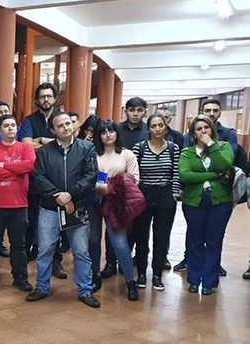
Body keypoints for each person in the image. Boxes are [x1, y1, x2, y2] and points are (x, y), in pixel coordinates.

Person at [26, 111, 100, 308]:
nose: (66, 127)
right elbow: (39, 178)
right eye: (61, 125)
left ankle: (85, 290)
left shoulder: (87, 148)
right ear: (53, 130)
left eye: (68, 123)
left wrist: (71, 195)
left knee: (81, 250)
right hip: (50, 208)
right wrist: (59, 196)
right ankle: (41, 287)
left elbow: (90, 176)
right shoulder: (43, 152)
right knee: (46, 249)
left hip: (77, 207)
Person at [0, 114, 35, 291]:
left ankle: (20, 276)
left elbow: (30, 165)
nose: (11, 128)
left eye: (13, 125)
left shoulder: (25, 148)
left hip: (19, 205)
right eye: (6, 125)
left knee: (19, 244)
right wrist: (16, 172)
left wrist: (3, 166)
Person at [179, 115, 233, 295]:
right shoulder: (187, 152)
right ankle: (194, 280)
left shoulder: (223, 147)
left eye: (206, 128)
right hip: (194, 201)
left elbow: (225, 163)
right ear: (193, 133)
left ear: (212, 130)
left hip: (220, 201)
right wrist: (214, 175)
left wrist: (211, 145)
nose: (203, 132)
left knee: (214, 241)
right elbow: (185, 176)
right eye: (199, 129)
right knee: (195, 240)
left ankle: (209, 281)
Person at [88, 120, 140, 301]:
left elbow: (134, 179)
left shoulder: (127, 154)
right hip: (94, 200)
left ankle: (130, 282)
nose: (108, 135)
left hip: (116, 202)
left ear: (117, 133)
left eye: (111, 131)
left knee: (119, 243)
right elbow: (85, 176)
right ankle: (95, 275)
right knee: (93, 241)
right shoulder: (91, 153)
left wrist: (111, 187)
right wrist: (97, 187)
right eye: (103, 132)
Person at [19, 83, 66, 278]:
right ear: (37, 100)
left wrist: (39, 141)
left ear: (55, 98)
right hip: (33, 176)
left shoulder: (61, 119)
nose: (46, 100)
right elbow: (26, 145)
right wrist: (51, 141)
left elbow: (65, 141)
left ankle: (56, 261)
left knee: (57, 220)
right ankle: (25, 256)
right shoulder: (29, 120)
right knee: (29, 219)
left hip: (57, 178)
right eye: (42, 97)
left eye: (49, 96)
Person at [131, 113, 180, 291]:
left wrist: (174, 195)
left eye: (161, 125)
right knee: (141, 236)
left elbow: (175, 174)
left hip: (166, 195)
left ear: (166, 127)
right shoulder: (140, 148)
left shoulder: (174, 148)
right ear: (148, 128)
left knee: (161, 237)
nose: (158, 129)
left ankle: (157, 275)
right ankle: (142, 273)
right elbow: (135, 175)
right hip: (144, 194)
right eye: (154, 126)